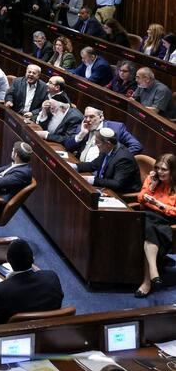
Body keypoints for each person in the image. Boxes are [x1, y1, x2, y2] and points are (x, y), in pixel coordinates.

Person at [0, 239, 63, 324]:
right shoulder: (52, 277)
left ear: (8, 261)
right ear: (33, 259)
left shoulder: (2, 290)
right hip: (48, 332)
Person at [134, 153, 176, 297]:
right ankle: (153, 272)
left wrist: (160, 205)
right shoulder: (152, 179)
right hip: (148, 215)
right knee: (149, 227)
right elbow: (140, 198)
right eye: (157, 168)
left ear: (173, 171)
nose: (159, 172)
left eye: (164, 169)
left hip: (166, 220)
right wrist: (151, 186)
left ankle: (147, 281)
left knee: (150, 229)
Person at [72, 127, 141, 194]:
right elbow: (93, 165)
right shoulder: (106, 149)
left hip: (120, 194)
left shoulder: (123, 159)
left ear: (108, 144)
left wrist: (92, 180)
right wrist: (74, 166)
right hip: (105, 187)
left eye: (97, 142)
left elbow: (117, 184)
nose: (96, 144)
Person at [64, 106, 143, 161]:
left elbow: (136, 146)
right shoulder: (82, 127)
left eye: (91, 117)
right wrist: (82, 134)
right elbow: (68, 146)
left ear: (101, 117)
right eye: (85, 117)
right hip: (82, 166)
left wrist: (114, 158)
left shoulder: (116, 128)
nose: (87, 120)